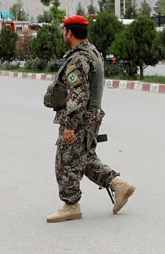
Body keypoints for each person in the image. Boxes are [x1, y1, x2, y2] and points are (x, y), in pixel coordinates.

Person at [46, 15, 135, 223]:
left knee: (66, 161)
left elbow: (79, 95)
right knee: (83, 158)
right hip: (91, 117)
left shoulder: (79, 59)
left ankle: (71, 205)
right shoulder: (91, 51)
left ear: (69, 33)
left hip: (80, 119)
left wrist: (70, 126)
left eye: (64, 31)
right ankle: (118, 184)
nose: (63, 34)